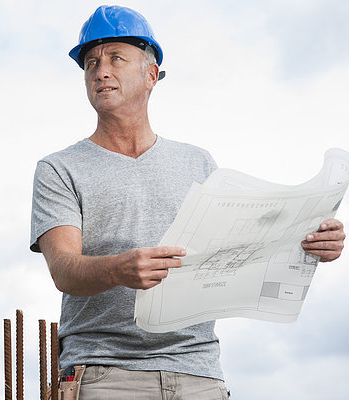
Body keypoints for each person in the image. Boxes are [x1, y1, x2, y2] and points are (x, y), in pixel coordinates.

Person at [29, 5, 346, 399]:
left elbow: (243, 248)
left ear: (150, 75)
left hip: (199, 374)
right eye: (90, 62)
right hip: (106, 374)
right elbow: (64, 270)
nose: (100, 71)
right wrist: (117, 269)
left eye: (115, 58)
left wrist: (311, 242)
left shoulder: (198, 163)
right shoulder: (59, 169)